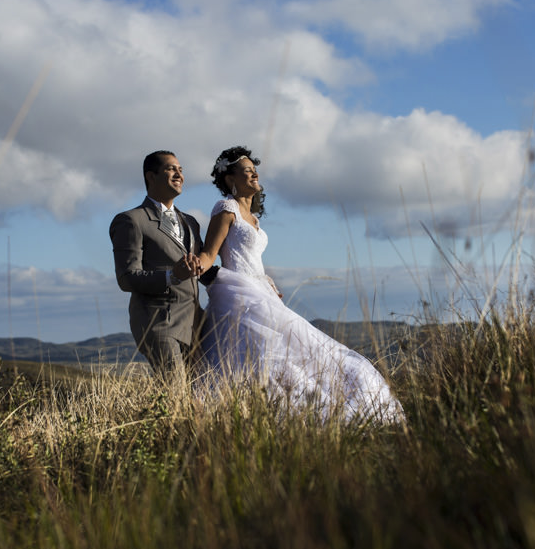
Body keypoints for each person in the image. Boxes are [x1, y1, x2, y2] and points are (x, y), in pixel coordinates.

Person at [195, 145, 405, 422]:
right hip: (239, 295)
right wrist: (192, 264)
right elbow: (211, 255)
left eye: (255, 171)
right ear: (230, 178)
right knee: (259, 355)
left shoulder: (254, 218)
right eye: (247, 172)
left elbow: (250, 256)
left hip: (262, 292)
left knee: (299, 350)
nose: (255, 175)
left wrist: (266, 280)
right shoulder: (226, 209)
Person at [110, 150, 204, 381]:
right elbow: (127, 277)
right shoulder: (132, 220)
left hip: (195, 324)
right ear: (151, 177)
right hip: (159, 321)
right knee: (174, 393)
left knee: (200, 394)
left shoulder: (191, 222)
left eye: (181, 170)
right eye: (171, 169)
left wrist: (255, 283)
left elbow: (203, 268)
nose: (179, 174)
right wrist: (172, 276)